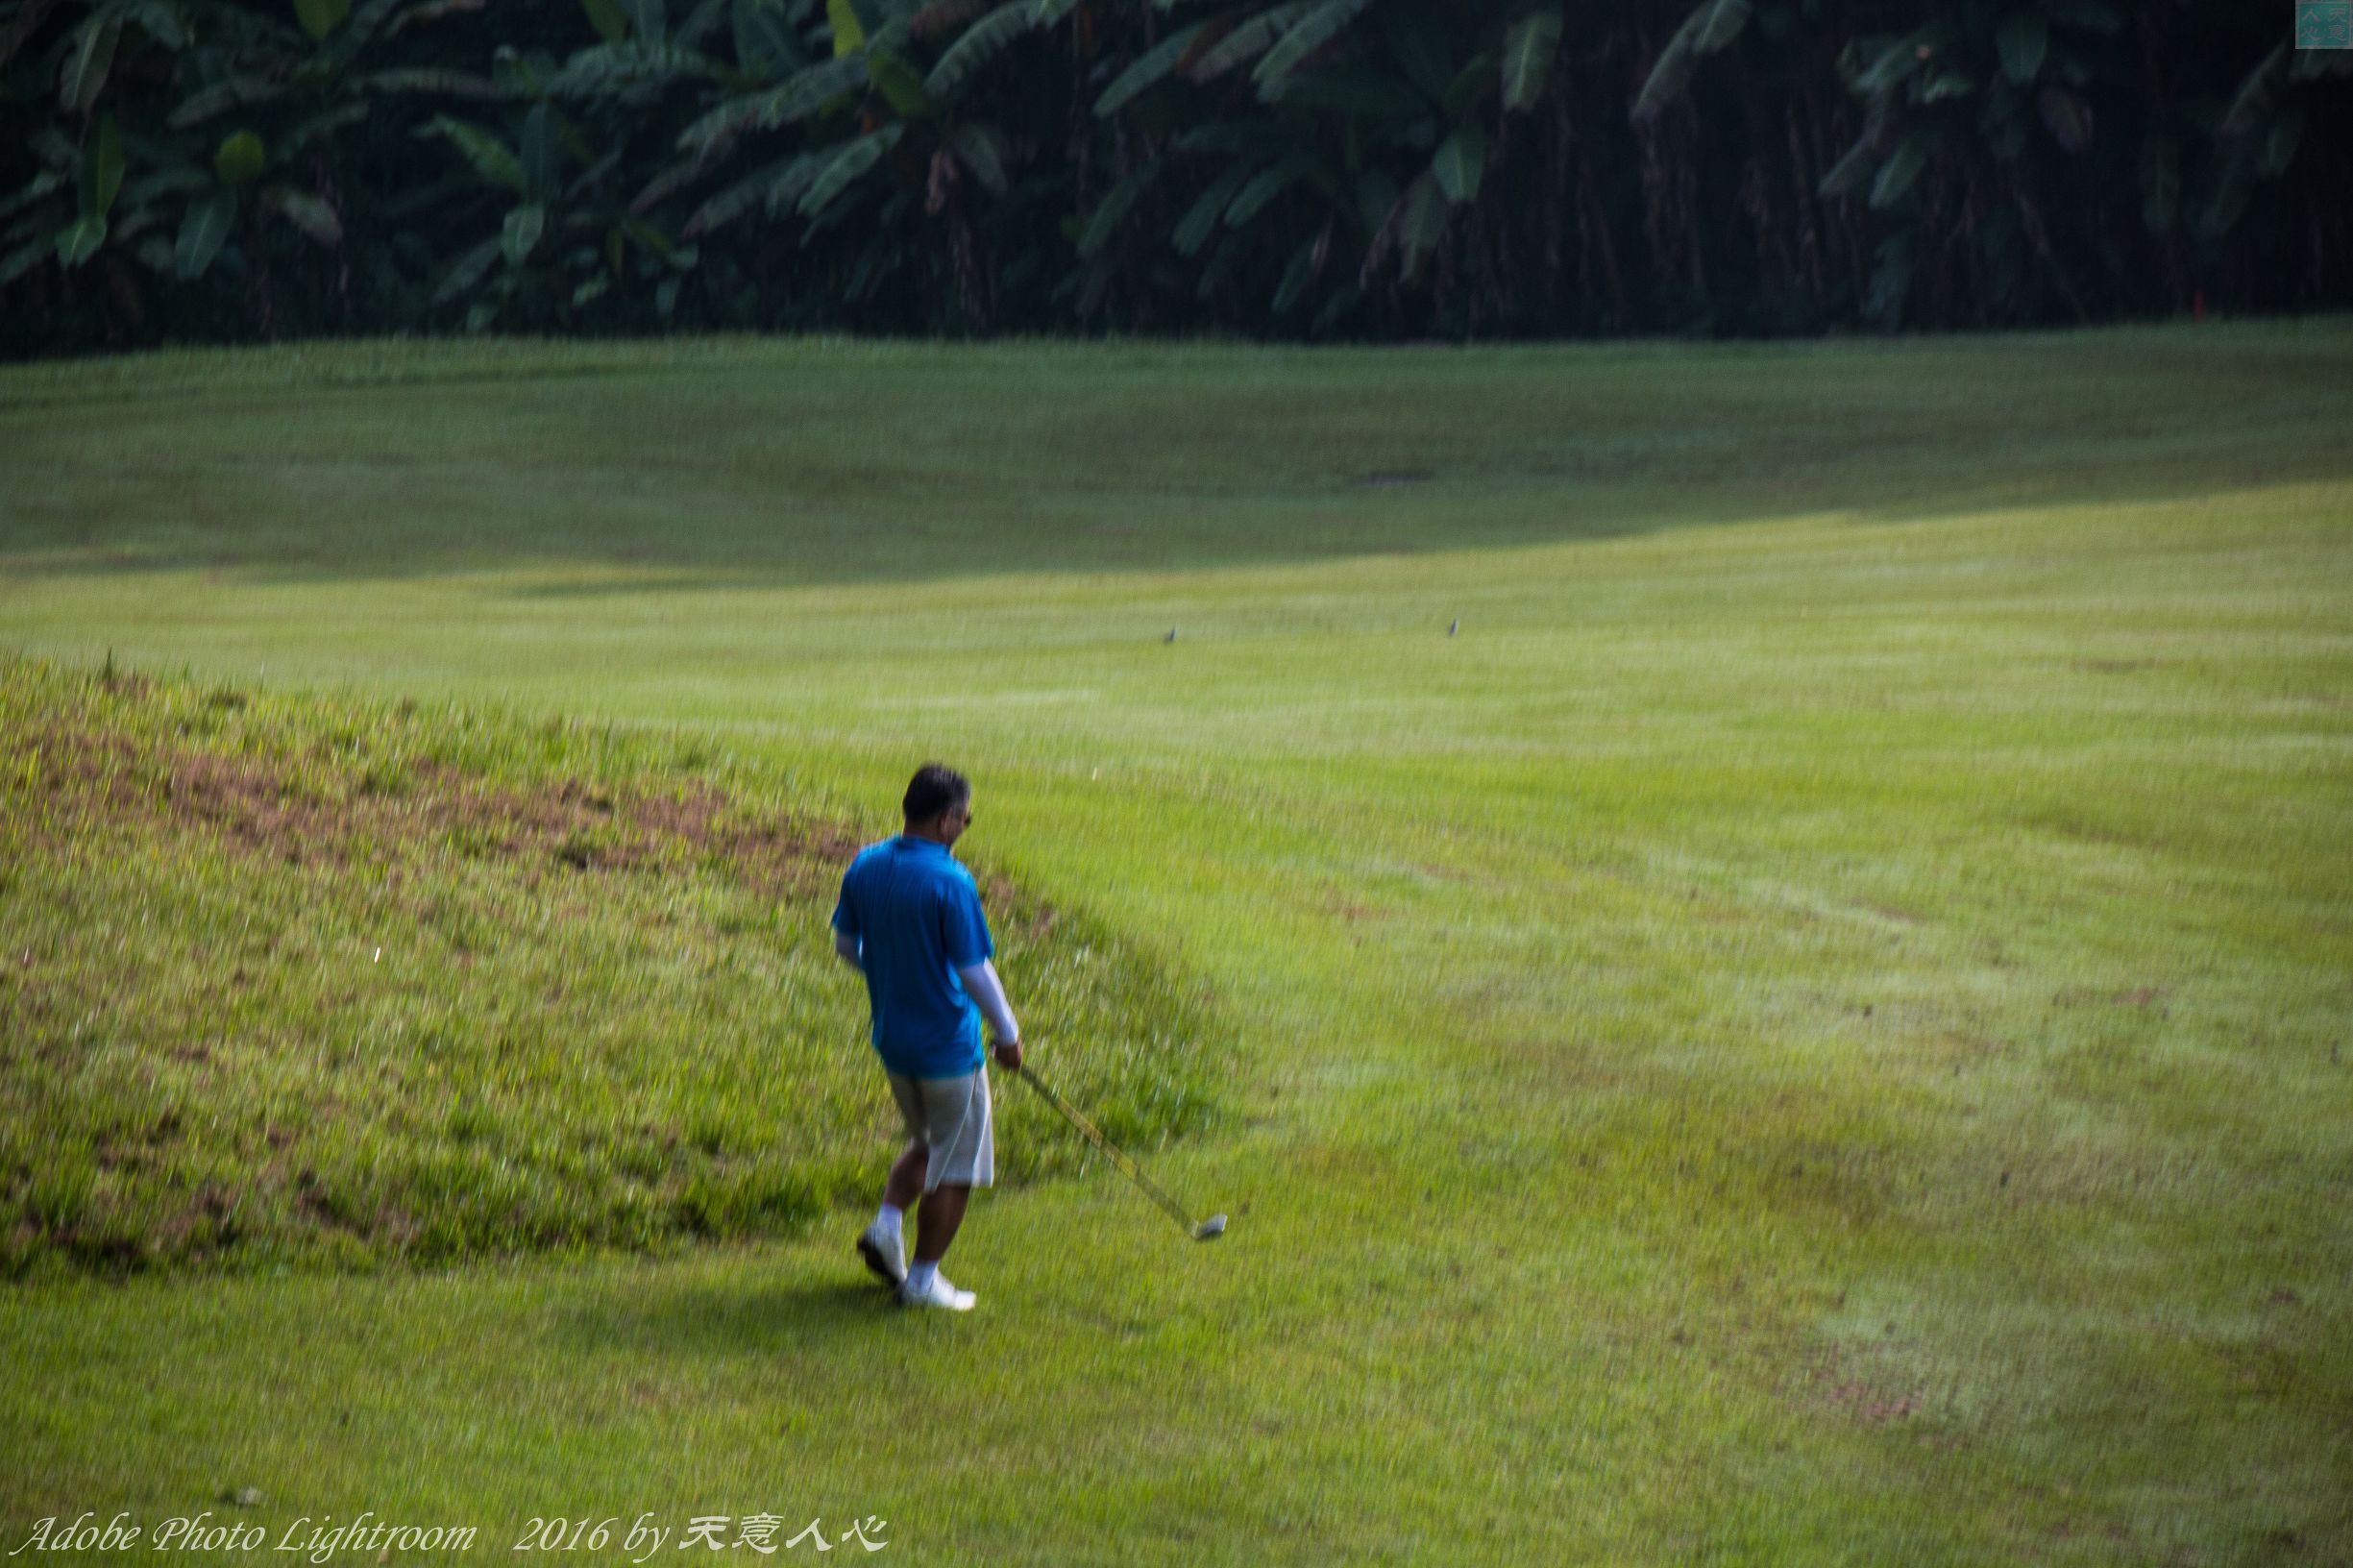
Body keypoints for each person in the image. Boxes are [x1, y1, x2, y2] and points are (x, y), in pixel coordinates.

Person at [830, 763, 1023, 1311]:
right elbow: (973, 970)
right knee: (957, 1166)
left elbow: (846, 946)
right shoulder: (950, 880)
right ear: (946, 820)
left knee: (926, 1143)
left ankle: (887, 1225)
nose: (964, 827)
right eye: (965, 819)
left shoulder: (866, 864)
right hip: (948, 1051)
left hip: (894, 1043)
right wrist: (1007, 1034)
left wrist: (893, 973)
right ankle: (922, 1281)